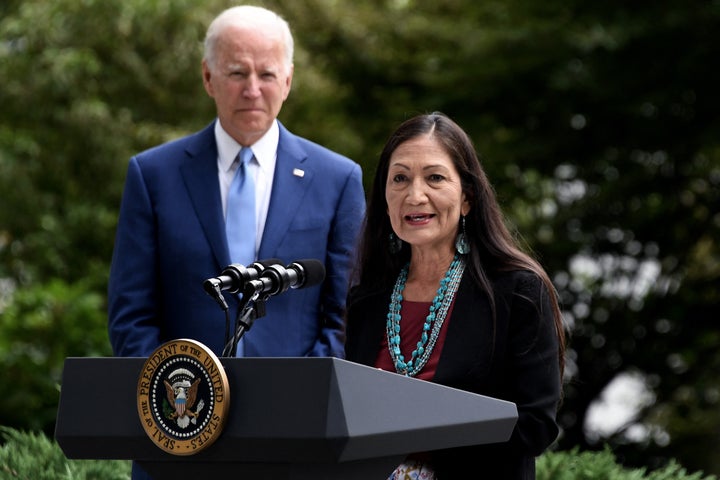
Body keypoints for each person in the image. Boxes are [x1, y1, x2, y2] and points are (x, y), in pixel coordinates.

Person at [108, 6, 365, 477]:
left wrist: (300, 396)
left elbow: (347, 313)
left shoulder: (338, 179)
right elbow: (131, 314)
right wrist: (176, 400)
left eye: (267, 74)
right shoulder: (153, 175)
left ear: (288, 81)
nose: (252, 89)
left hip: (298, 442)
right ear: (208, 77)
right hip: (177, 440)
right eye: (236, 72)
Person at [345, 112, 566, 479]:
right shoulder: (368, 298)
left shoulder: (518, 291)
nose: (415, 195)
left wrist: (420, 427)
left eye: (434, 177)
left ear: (467, 197)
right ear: (384, 198)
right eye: (399, 178)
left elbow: (534, 426)